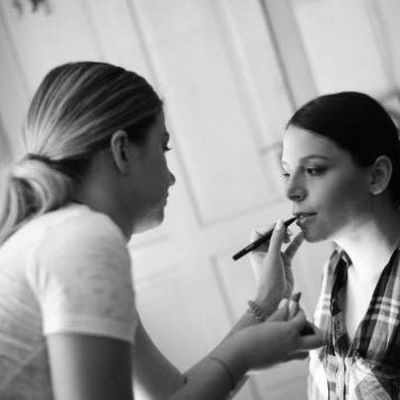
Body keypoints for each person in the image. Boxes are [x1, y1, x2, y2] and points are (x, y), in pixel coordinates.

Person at [0, 61, 323, 400]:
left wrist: (266, 299)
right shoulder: (82, 240)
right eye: (163, 147)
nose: (171, 178)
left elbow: (171, 393)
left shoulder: (56, 236)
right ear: (122, 150)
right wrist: (242, 356)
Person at [256, 91, 400, 399]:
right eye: (286, 172)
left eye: (313, 170)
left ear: (376, 176)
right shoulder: (334, 270)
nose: (290, 191)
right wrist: (273, 302)